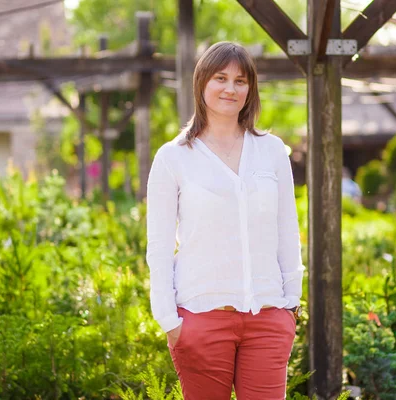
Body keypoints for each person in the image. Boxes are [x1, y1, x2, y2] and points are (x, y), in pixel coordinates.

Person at [145, 41, 305, 399]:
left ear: (251, 90)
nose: (230, 89)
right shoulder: (173, 158)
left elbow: (287, 230)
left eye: (240, 80)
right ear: (202, 82)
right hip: (201, 319)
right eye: (221, 78)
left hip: (268, 317)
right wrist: (169, 321)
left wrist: (290, 305)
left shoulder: (272, 152)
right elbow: (158, 246)